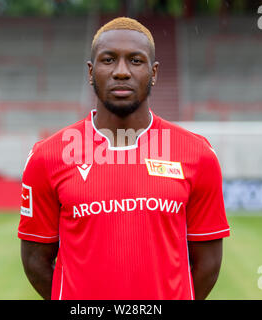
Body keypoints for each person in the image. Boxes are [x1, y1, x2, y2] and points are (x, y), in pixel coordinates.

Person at [18, 17, 230, 300]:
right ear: (91, 72)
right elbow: (36, 262)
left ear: (154, 73)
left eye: (135, 61)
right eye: (108, 60)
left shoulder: (198, 155)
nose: (121, 72)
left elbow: (208, 265)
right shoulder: (47, 157)